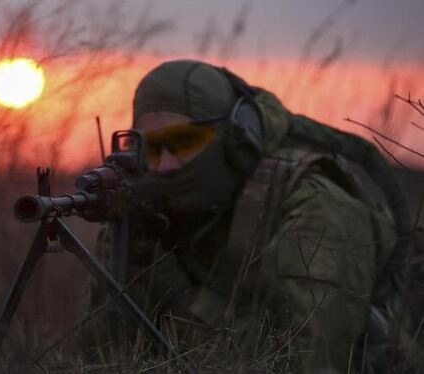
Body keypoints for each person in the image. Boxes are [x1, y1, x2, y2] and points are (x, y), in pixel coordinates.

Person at [82, 60, 418, 373]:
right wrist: (126, 270)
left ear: (237, 140)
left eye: (184, 140)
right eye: (152, 149)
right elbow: (106, 359)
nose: (167, 164)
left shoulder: (317, 208)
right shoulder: (155, 213)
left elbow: (299, 361)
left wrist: (178, 295)